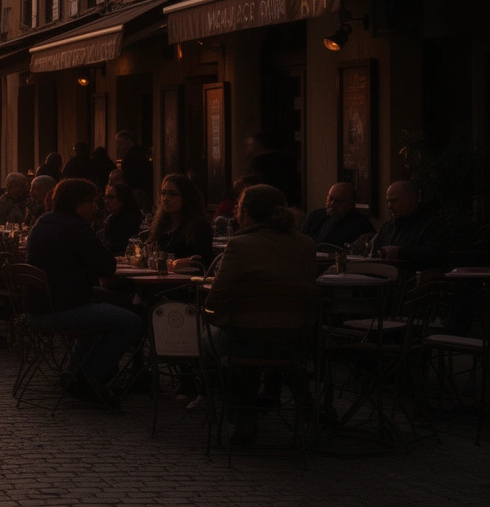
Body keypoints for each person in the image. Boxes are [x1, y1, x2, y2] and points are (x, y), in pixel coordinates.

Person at [203, 184, 319, 445]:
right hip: (297, 341)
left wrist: (209, 313)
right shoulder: (306, 244)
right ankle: (307, 407)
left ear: (245, 213)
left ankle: (242, 416)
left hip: (244, 341)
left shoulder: (240, 245)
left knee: (216, 337)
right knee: (270, 337)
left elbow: (216, 300)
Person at [25, 178, 141, 402]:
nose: (96, 207)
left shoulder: (43, 222)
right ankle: (90, 376)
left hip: (41, 304)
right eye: (92, 202)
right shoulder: (76, 227)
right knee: (132, 322)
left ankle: (74, 371)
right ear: (77, 204)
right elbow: (107, 265)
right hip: (63, 308)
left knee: (121, 303)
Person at [371, 180, 447, 270]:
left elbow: (434, 254)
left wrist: (400, 252)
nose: (389, 206)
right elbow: (374, 253)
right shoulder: (388, 227)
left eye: (394, 201)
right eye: (388, 201)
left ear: (411, 199)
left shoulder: (433, 225)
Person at [147, 174, 214, 268]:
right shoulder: (162, 224)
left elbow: (207, 260)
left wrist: (189, 261)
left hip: (185, 279)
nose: (165, 198)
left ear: (185, 197)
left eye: (172, 194)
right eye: (163, 193)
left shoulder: (198, 226)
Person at [299, 182, 375, 248]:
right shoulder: (315, 216)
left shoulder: (361, 224)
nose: (332, 203)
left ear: (352, 203)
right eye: (330, 199)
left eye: (339, 201)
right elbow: (300, 238)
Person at [246, 131, 302, 207]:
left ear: (259, 145)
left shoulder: (259, 163)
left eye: (251, 145)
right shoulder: (286, 160)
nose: (248, 148)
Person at [101, 183, 144, 257]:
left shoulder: (136, 220)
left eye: (111, 197)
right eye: (105, 198)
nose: (106, 201)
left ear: (122, 199)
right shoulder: (109, 221)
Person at [115, 131, 153, 196]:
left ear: (128, 141)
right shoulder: (143, 154)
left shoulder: (128, 159)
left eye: (120, 143)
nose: (118, 146)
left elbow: (128, 180)